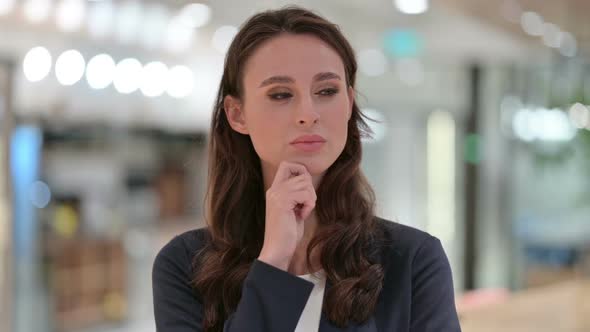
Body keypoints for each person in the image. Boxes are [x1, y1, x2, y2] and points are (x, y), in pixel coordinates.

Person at [152, 6, 461, 332]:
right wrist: (273, 260)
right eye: (281, 94)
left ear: (349, 103)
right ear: (237, 114)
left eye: (327, 91)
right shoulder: (185, 266)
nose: (308, 113)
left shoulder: (412, 261)